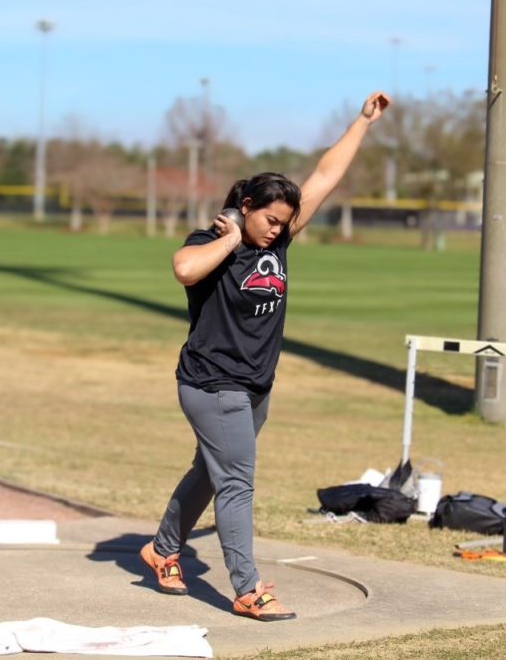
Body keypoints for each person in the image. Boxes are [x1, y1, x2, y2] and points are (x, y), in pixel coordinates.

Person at [139, 91, 390, 621]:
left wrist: (363, 122)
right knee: (236, 482)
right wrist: (231, 239)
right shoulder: (210, 242)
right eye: (270, 219)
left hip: (255, 386)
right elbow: (184, 270)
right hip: (211, 384)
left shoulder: (278, 243)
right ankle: (247, 588)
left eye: (285, 221)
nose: (278, 228)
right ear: (246, 207)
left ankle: (162, 550)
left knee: (210, 472)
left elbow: (325, 175)